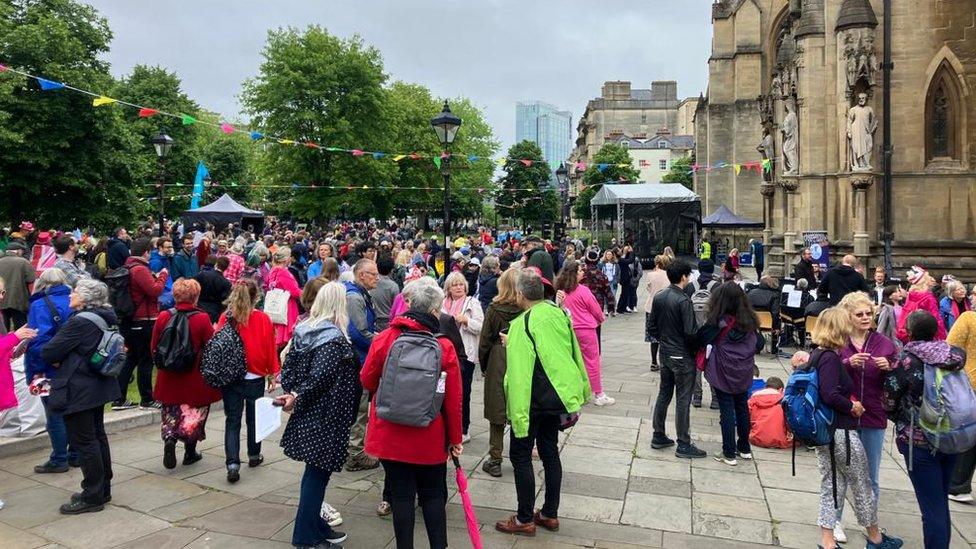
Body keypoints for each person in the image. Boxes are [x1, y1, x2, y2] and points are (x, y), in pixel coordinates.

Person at [360, 281, 463, 549]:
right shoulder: (444, 346)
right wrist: (454, 438)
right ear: (434, 309)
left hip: (390, 432)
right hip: (429, 433)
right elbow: (452, 399)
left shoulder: (385, 338)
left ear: (408, 304)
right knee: (432, 495)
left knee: (401, 495)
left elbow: (367, 380)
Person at [495, 269, 590, 536]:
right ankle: (549, 513)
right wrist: (582, 386)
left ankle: (524, 518)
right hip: (558, 394)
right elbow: (573, 350)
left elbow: (519, 374)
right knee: (549, 451)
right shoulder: (558, 313)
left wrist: (516, 412)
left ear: (521, 294)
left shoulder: (522, 324)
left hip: (533, 398)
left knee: (520, 455)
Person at [809, 307, 903, 549]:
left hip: (827, 431)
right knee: (861, 482)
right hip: (840, 431)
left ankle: (828, 542)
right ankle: (875, 538)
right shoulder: (830, 358)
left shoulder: (818, 354)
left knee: (832, 484)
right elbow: (830, 394)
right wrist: (852, 406)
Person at [277, 282, 358, 549]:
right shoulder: (332, 338)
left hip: (312, 412)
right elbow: (320, 377)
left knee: (315, 474)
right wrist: (298, 395)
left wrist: (292, 394)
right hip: (327, 414)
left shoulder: (303, 330)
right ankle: (305, 537)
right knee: (317, 474)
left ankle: (315, 526)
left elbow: (287, 369)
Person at [884, 310, 965, 549]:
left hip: (919, 440)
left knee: (932, 506)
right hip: (953, 436)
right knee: (939, 500)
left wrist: (900, 419)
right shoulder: (953, 355)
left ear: (908, 333)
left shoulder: (907, 360)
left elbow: (889, 399)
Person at [41, 279, 120, 514]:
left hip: (80, 387)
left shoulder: (80, 322)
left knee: (85, 441)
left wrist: (58, 357)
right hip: (97, 384)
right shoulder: (105, 316)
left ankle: (92, 495)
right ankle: (102, 487)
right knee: (97, 436)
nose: (70, 296)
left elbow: (50, 351)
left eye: (74, 292)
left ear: (85, 298)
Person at [833, 291, 899, 542]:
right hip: (845, 415)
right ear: (848, 316)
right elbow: (828, 374)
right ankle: (835, 520)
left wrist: (889, 367)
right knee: (841, 471)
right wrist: (848, 363)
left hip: (873, 414)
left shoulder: (883, 343)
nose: (865, 317)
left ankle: (869, 521)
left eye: (868, 313)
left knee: (871, 474)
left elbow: (897, 379)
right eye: (859, 314)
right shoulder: (839, 342)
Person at [151, 279, 221, 469]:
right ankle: (190, 452)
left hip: (169, 376)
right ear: (195, 296)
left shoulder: (164, 316)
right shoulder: (201, 318)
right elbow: (210, 346)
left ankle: (170, 439)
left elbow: (154, 347)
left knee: (171, 412)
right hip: (193, 376)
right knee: (193, 414)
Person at [216, 279, 280, 483]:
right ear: (256, 297)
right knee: (254, 418)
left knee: (232, 420)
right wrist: (272, 372)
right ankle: (254, 454)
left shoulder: (226, 318)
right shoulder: (262, 319)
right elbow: (270, 347)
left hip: (231, 376)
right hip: (255, 375)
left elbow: (217, 345)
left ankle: (232, 463)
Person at [698, 282, 762, 465]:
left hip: (722, 370)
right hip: (743, 370)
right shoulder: (750, 320)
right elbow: (759, 344)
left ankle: (728, 452)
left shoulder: (719, 321)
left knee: (726, 409)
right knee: (742, 407)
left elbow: (701, 338)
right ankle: (744, 448)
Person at [649, 261, 707, 458]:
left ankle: (658, 434)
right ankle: (683, 443)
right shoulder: (683, 300)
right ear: (683, 277)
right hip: (682, 355)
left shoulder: (659, 297)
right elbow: (691, 332)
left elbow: (652, 328)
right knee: (683, 399)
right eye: (688, 275)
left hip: (665, 353)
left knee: (664, 393)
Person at [25, 268, 77, 473]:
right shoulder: (74, 300)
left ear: (43, 283)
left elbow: (38, 341)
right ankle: (75, 454)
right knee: (72, 411)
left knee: (54, 413)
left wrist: (41, 366)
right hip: (73, 367)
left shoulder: (39, 305)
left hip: (47, 368)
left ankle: (59, 458)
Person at [113, 238, 168, 411]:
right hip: (143, 320)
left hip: (130, 320)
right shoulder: (140, 269)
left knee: (131, 359)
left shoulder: (128, 267)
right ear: (146, 252)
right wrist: (163, 276)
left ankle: (119, 398)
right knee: (146, 360)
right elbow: (154, 291)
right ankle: (147, 398)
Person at [477, 268, 521, 478]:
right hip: (521, 358)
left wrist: (485, 365)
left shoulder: (494, 309)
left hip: (498, 357)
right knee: (518, 406)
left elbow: (485, 340)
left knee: (497, 411)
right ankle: (519, 455)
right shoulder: (526, 309)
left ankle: (495, 458)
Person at [554, 260, 613, 406]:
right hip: (586, 330)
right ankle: (599, 394)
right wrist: (600, 319)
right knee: (592, 362)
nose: (583, 272)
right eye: (580, 270)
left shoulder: (560, 292)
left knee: (574, 362)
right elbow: (596, 310)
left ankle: (578, 392)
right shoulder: (583, 290)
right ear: (574, 274)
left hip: (569, 330)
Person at [344, 259, 379, 472]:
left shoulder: (357, 294)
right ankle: (356, 454)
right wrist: (381, 340)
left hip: (360, 358)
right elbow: (359, 332)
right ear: (361, 275)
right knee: (361, 406)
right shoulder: (355, 297)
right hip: (359, 359)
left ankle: (355, 449)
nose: (377, 277)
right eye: (373, 274)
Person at [442, 271, 484, 442]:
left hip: (465, 354)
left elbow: (481, 326)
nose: (459, 287)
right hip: (446, 353)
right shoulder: (442, 303)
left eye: (461, 284)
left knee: (463, 392)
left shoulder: (472, 302)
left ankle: (463, 428)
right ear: (448, 288)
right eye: (455, 284)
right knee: (445, 392)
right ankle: (447, 426)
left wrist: (467, 321)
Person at [947, 309, 976, 503]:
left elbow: (951, 349)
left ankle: (957, 485)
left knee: (966, 437)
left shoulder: (969, 318)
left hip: (969, 386)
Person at [896, 266, 946, 343]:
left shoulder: (911, 297)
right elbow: (936, 320)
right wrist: (942, 339)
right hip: (927, 339)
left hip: (911, 337)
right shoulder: (928, 298)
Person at [266, 247, 302, 350]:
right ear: (286, 259)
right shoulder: (284, 273)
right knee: (285, 342)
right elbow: (295, 292)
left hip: (275, 307)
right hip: (286, 308)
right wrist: (308, 294)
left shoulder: (272, 271)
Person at [0, 241, 36, 330]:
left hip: (1, 298)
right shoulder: (23, 262)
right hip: (18, 299)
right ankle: (19, 344)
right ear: (18, 251)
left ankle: (5, 343)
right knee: (20, 328)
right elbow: (31, 279)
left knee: (3, 327)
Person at [748, 377, 791, 449]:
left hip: (756, 438)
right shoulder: (785, 400)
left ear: (765, 387)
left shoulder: (753, 398)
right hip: (779, 440)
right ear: (781, 389)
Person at [747, 276, 781, 354]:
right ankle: (774, 348)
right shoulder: (774, 295)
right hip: (768, 322)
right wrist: (776, 327)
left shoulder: (750, 293)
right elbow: (775, 313)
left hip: (752, 321)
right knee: (777, 321)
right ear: (769, 284)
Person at [195, 255, 232, 323]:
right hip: (213, 312)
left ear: (216, 264)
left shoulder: (202, 274)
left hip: (198, 307)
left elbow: (195, 288)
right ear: (226, 268)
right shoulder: (227, 283)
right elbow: (223, 300)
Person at [369, 255, 400, 332]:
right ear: (391, 270)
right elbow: (396, 306)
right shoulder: (393, 286)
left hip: (372, 321)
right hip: (388, 323)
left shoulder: (370, 282)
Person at [616, 245, 638, 314]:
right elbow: (630, 260)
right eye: (619, 250)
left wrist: (628, 252)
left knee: (625, 293)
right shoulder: (620, 260)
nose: (620, 250)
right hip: (624, 278)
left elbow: (628, 258)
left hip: (626, 278)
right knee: (624, 294)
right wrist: (631, 252)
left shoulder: (621, 259)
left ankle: (623, 307)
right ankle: (620, 308)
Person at [598, 250, 620, 316]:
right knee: (606, 297)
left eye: (610, 254)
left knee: (612, 296)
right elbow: (599, 272)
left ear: (612, 255)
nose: (609, 256)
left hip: (613, 282)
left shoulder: (615, 264)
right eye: (607, 254)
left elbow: (618, 273)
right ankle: (607, 310)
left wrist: (617, 280)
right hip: (605, 282)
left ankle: (613, 310)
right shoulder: (601, 264)